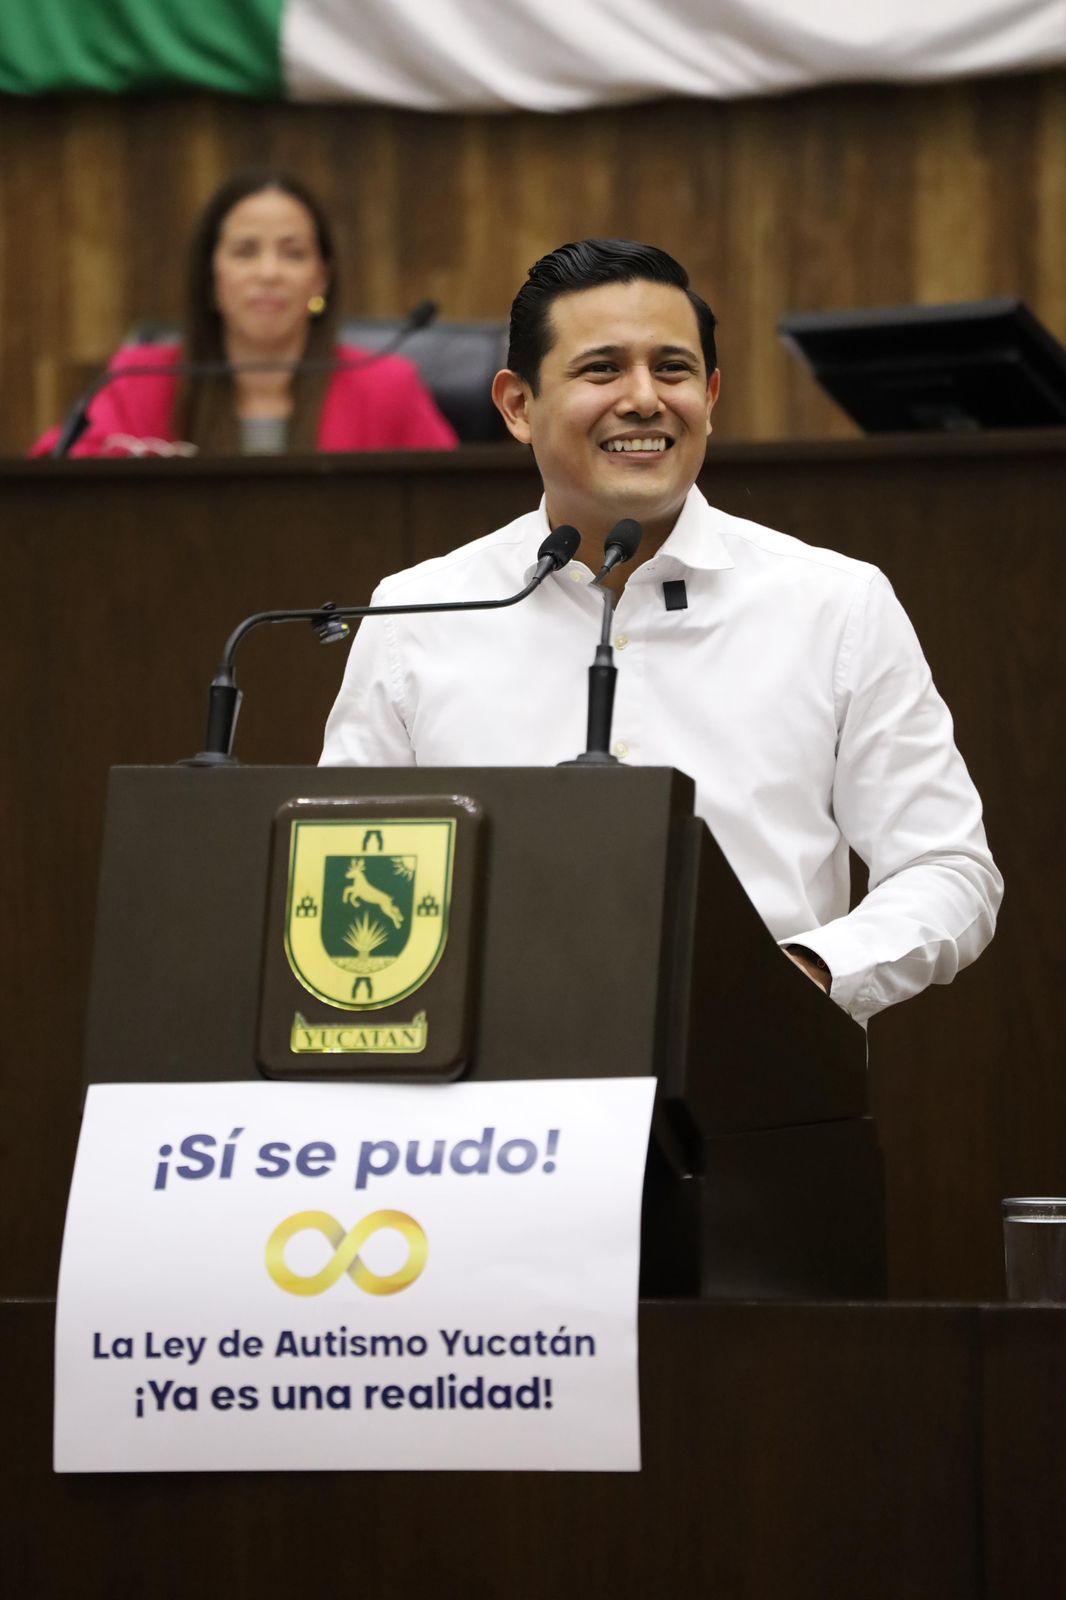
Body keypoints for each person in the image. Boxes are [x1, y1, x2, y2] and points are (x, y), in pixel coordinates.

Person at [320, 239, 1002, 1024]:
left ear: (710, 395)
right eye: (602, 369)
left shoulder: (835, 605)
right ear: (517, 405)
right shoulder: (417, 615)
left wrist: (807, 975)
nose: (644, 399)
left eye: (673, 369)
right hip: (489, 1079)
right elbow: (339, 867)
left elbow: (948, 867)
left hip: (752, 1067)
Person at [32, 171, 457, 458]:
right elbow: (52, 489)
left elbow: (451, 508)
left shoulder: (387, 387)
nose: (268, 273)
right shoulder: (138, 381)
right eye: (245, 251)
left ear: (321, 280)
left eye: (293, 253)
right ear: (212, 275)